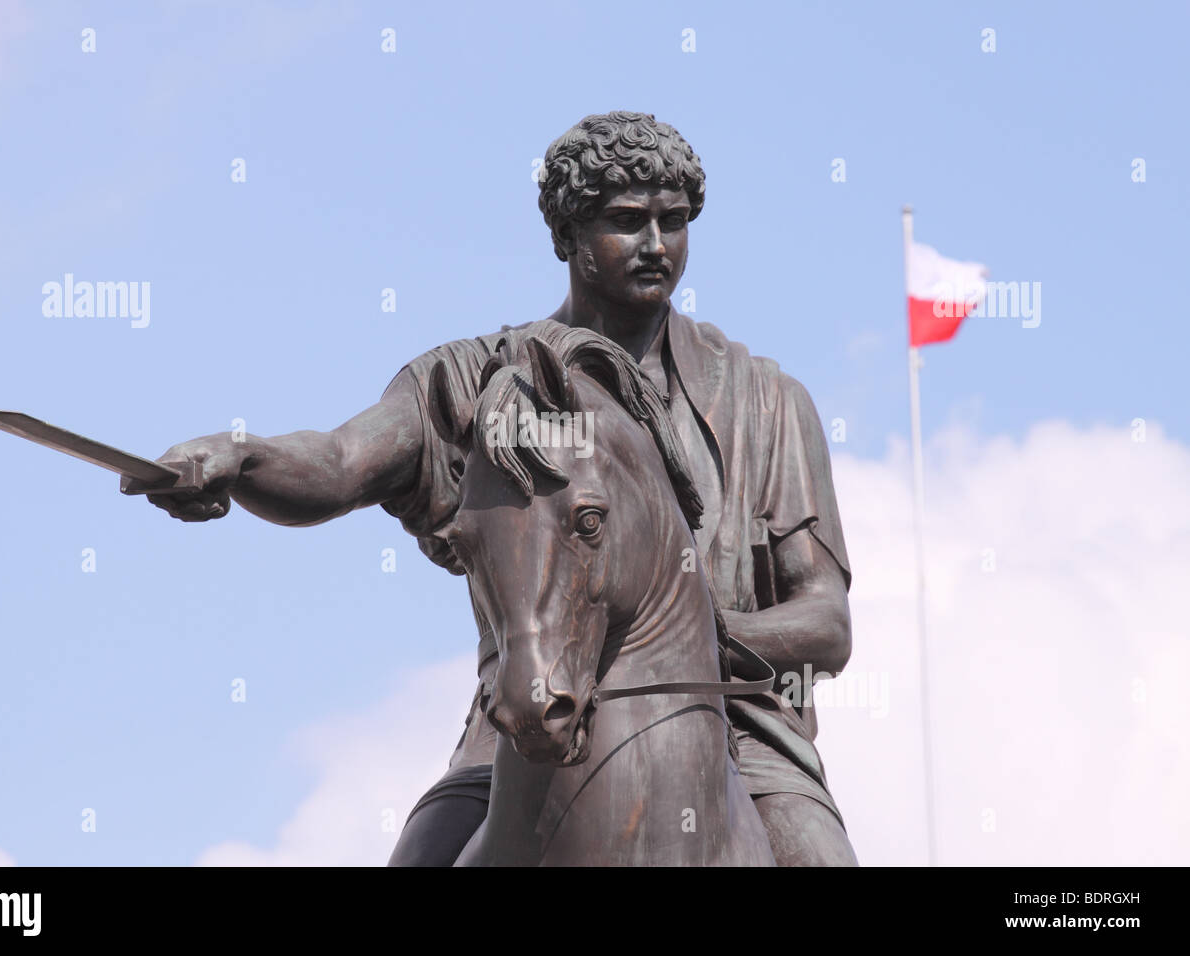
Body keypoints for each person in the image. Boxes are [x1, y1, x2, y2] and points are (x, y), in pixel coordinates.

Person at [148, 112, 858, 866]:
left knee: (817, 858)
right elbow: (339, 464)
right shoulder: (475, 385)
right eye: (626, 222)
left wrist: (691, 638)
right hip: (521, 727)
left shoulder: (767, 400)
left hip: (740, 739)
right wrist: (239, 455)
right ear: (567, 238)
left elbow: (826, 621)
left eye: (673, 221)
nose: (656, 246)